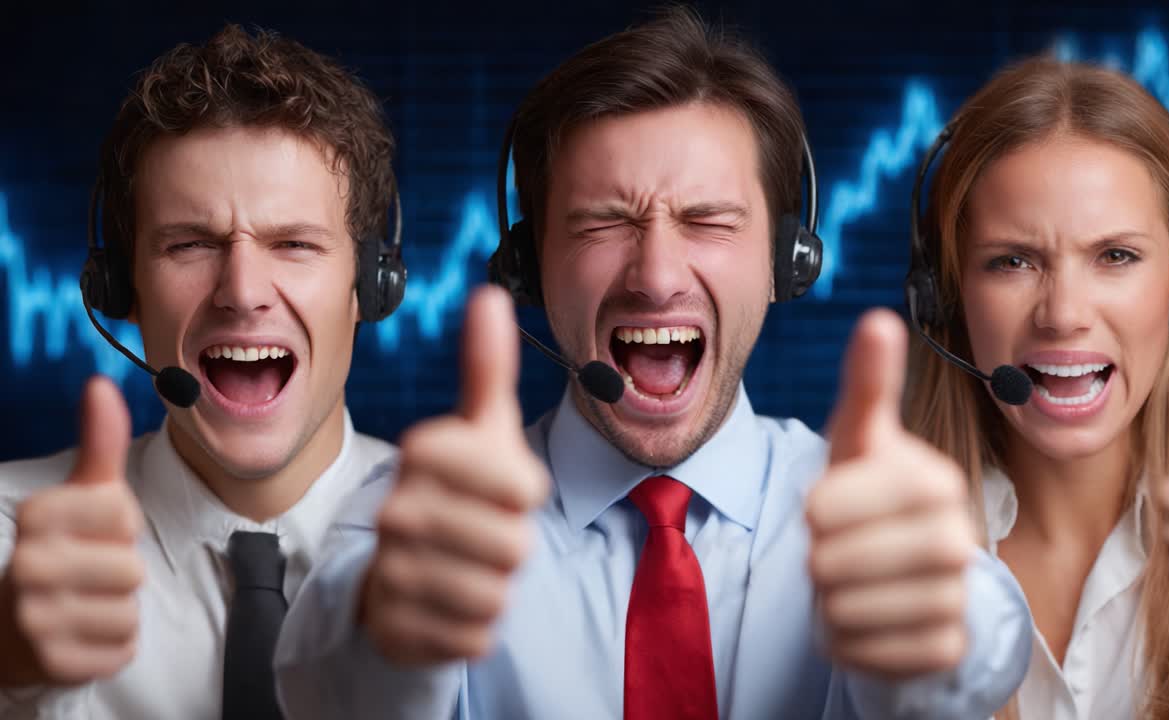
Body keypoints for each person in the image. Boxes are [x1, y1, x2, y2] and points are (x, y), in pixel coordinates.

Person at [275, 9, 1033, 719]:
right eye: (604, 224)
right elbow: (324, 678)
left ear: (784, 262)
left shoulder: (871, 519)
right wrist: (387, 626)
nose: (657, 277)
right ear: (530, 268)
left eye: (708, 221)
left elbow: (990, 645)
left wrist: (942, 623)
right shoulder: (426, 520)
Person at [0, 25, 402, 719]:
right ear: (121, 289)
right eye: (189, 244)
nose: (242, 292)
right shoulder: (13, 535)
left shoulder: (467, 539)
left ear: (371, 286)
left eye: (294, 243)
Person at [901, 56, 1169, 720]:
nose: (1063, 314)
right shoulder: (872, 548)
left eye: (1116, 256)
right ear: (946, 296)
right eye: (1012, 261)